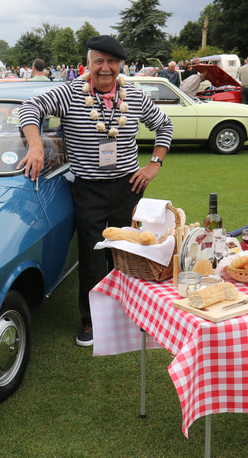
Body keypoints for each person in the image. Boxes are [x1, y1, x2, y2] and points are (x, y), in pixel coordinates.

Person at [17, 35, 173, 347]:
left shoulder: (135, 95)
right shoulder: (70, 93)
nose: (105, 68)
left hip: (128, 185)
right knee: (91, 256)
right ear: (87, 64)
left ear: (120, 66)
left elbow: (164, 125)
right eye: (98, 61)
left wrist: (154, 165)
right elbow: (29, 107)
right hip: (88, 188)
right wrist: (35, 145)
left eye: (111, 62)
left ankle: (130, 313)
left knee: (126, 253)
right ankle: (91, 321)